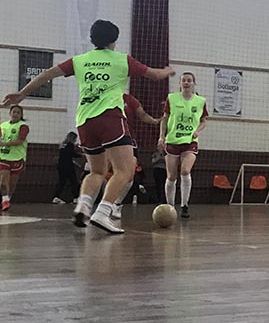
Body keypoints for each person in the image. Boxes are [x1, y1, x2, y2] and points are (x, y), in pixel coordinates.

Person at [1, 19, 173, 233]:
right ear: (114, 40)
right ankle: (103, 212)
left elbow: (47, 74)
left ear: (93, 39)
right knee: (125, 169)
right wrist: (167, 71)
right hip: (110, 117)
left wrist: (22, 94)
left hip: (84, 121)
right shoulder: (121, 60)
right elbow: (154, 75)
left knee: (96, 171)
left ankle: (83, 205)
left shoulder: (80, 60)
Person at [158, 72, 208, 219]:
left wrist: (198, 131)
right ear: (180, 83)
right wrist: (161, 137)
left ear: (194, 83)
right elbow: (164, 119)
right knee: (171, 176)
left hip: (190, 142)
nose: (186, 82)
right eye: (184, 80)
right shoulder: (171, 98)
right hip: (173, 140)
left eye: (189, 80)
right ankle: (170, 207)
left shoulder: (200, 101)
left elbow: (204, 121)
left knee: (185, 171)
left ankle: (184, 206)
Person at [110, 93, 159, 218]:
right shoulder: (103, 95)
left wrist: (155, 121)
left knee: (129, 176)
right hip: (108, 141)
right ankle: (101, 205)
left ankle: (115, 204)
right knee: (101, 172)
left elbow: (142, 115)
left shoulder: (129, 99)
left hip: (128, 141)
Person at [0, 105, 29, 212]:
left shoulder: (23, 126)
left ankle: (7, 199)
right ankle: (5, 201)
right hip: (3, 157)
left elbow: (20, 141)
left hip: (17, 158)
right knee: (3, 182)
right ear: (10, 113)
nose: (15, 114)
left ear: (21, 115)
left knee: (12, 184)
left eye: (18, 112)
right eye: (14, 112)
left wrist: (5, 143)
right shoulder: (3, 125)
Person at [53, 131, 82, 204]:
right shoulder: (70, 145)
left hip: (61, 166)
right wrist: (81, 155)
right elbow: (72, 154)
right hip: (68, 166)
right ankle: (76, 198)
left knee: (62, 182)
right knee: (73, 182)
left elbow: (65, 156)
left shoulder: (63, 145)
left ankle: (56, 197)